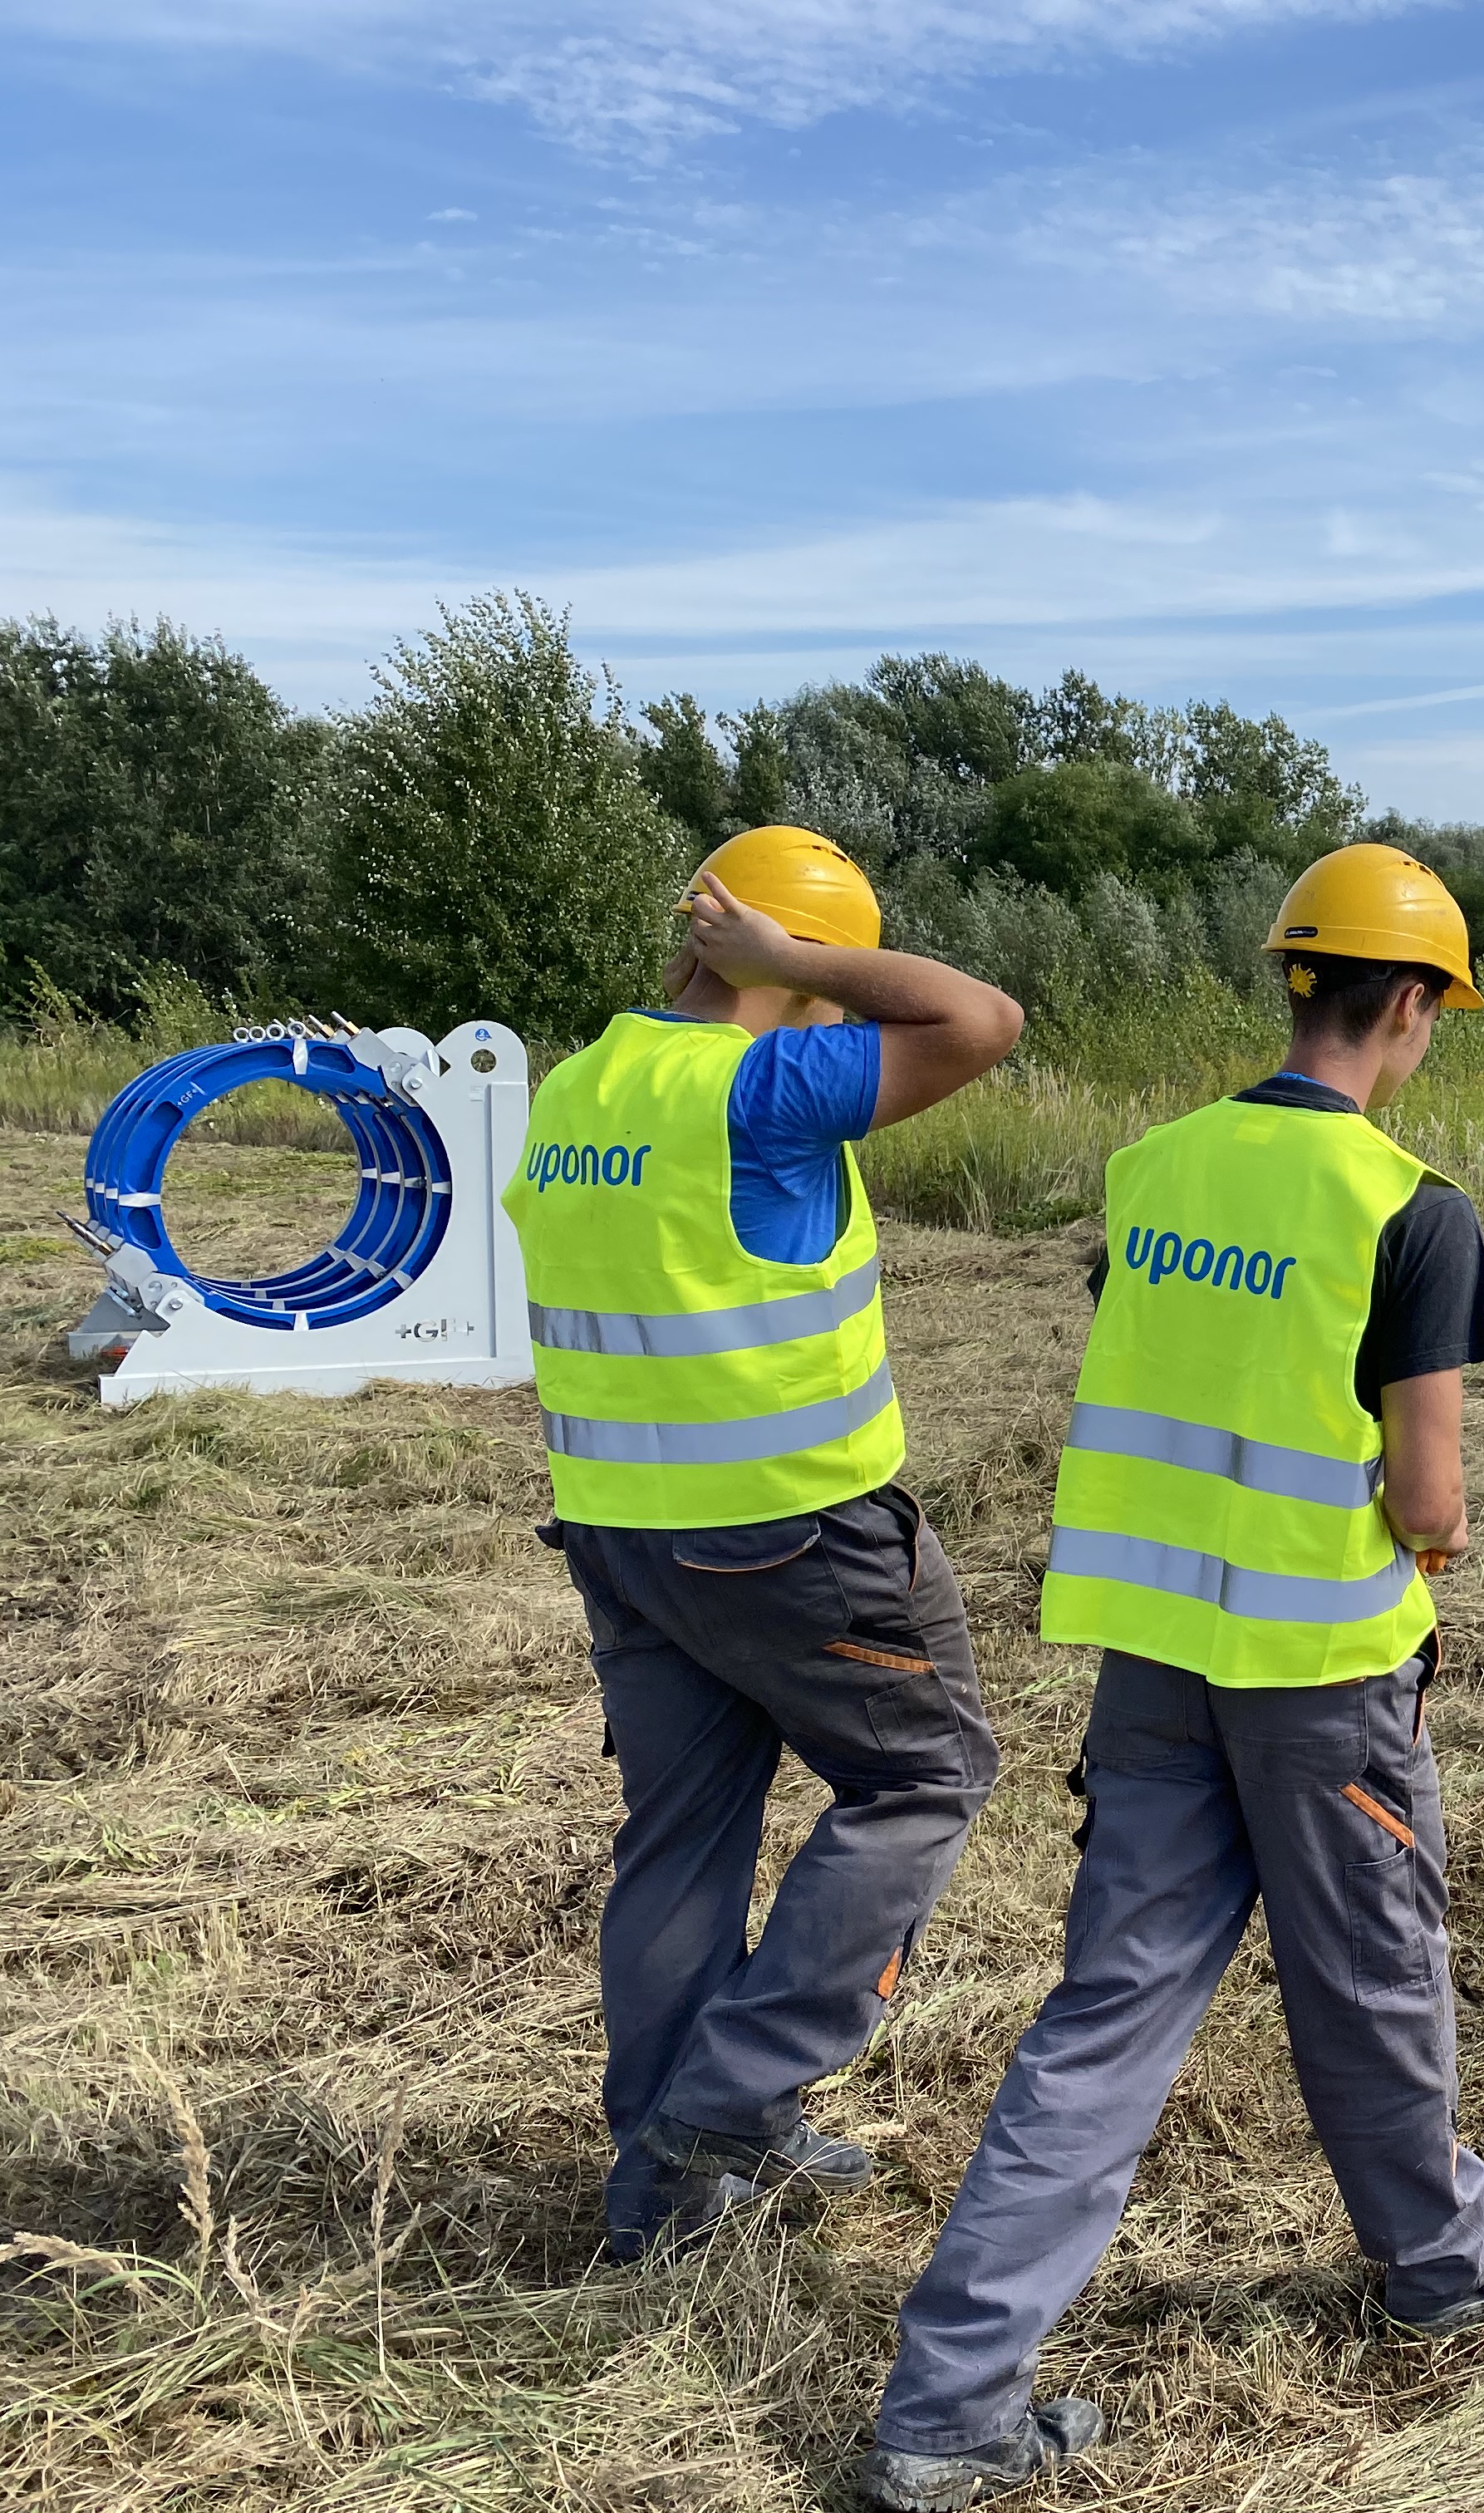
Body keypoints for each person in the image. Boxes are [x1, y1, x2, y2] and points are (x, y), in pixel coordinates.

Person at [857, 843, 1484, 2513]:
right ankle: (1441, 2262)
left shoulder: (1156, 1169)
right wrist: (1436, 1559)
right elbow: (1429, 1499)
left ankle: (948, 2405)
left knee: (1106, 2017)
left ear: (1292, 983)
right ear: (1410, 1002)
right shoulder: (1412, 1210)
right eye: (1434, 1015)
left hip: (1155, 1661)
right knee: (1375, 1980)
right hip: (1324, 1681)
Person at [501, 824, 1025, 2261]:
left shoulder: (581, 1087)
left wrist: (779, 965)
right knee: (925, 1775)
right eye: (821, 973)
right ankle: (734, 2095)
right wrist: (792, 966)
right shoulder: (761, 1085)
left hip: (623, 1531)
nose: (839, 1005)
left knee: (681, 1839)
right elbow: (982, 1020)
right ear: (774, 955)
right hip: (794, 1531)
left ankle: (659, 2192)